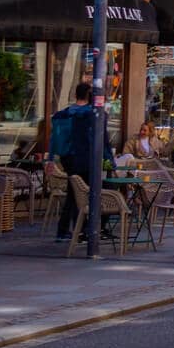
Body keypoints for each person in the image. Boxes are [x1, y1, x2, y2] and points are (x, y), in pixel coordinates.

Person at [48, 82, 111, 242]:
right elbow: (102, 139)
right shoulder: (93, 114)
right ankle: (81, 230)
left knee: (73, 192)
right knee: (88, 193)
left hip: (68, 157)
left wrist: (50, 159)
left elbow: (54, 137)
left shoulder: (64, 114)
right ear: (90, 94)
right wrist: (108, 158)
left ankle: (66, 230)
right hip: (86, 157)